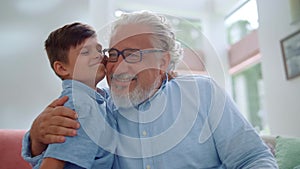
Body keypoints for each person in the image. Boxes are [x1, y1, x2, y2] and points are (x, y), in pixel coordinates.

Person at [22, 11, 278, 168]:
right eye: (113, 54)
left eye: (132, 55)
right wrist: (35, 138)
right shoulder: (98, 110)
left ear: (163, 62)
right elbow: (63, 155)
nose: (117, 66)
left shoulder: (202, 93)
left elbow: (253, 159)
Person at [27, 22, 115, 169]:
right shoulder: (82, 106)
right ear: (62, 68)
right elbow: (53, 163)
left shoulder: (97, 100)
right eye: (86, 52)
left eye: (99, 50)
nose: (98, 56)